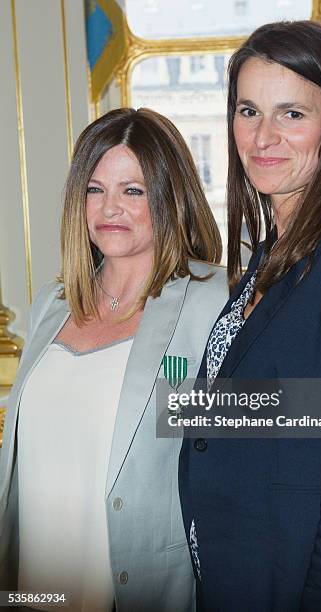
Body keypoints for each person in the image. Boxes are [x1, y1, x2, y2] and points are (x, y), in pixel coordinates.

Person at [178, 21, 321, 611]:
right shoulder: (273, 251)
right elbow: (271, 409)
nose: (263, 137)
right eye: (249, 111)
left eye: (292, 114)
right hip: (240, 569)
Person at [0, 107, 228, 612]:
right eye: (95, 189)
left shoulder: (213, 298)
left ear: (169, 197)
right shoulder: (51, 305)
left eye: (133, 190)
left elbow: (280, 415)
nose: (110, 208)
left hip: (140, 590)